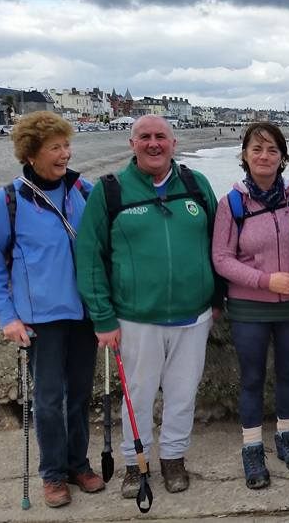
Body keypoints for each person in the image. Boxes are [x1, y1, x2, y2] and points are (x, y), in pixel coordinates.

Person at [75, 114, 221, 498]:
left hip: (194, 316)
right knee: (137, 396)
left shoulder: (196, 184)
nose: (153, 143)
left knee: (183, 394)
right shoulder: (109, 191)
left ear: (173, 143)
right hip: (135, 318)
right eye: (144, 137)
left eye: (160, 136)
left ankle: (173, 458)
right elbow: (89, 257)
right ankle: (134, 463)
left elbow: (218, 245)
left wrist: (217, 297)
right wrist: (102, 317)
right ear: (132, 144)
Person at [0, 111, 103, 508]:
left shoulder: (82, 189)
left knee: (79, 395)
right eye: (55, 148)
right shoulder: (9, 200)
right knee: (48, 400)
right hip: (41, 320)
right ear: (31, 154)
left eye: (67, 145)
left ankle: (78, 464)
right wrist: (7, 317)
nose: (65, 154)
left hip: (83, 314)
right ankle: (53, 474)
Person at [211, 122, 289, 490]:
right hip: (249, 307)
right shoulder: (232, 203)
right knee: (252, 378)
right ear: (244, 155)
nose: (264, 156)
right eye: (257, 149)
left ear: (283, 157)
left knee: (288, 373)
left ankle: (286, 438)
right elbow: (221, 258)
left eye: (272, 150)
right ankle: (252, 448)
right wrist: (264, 281)